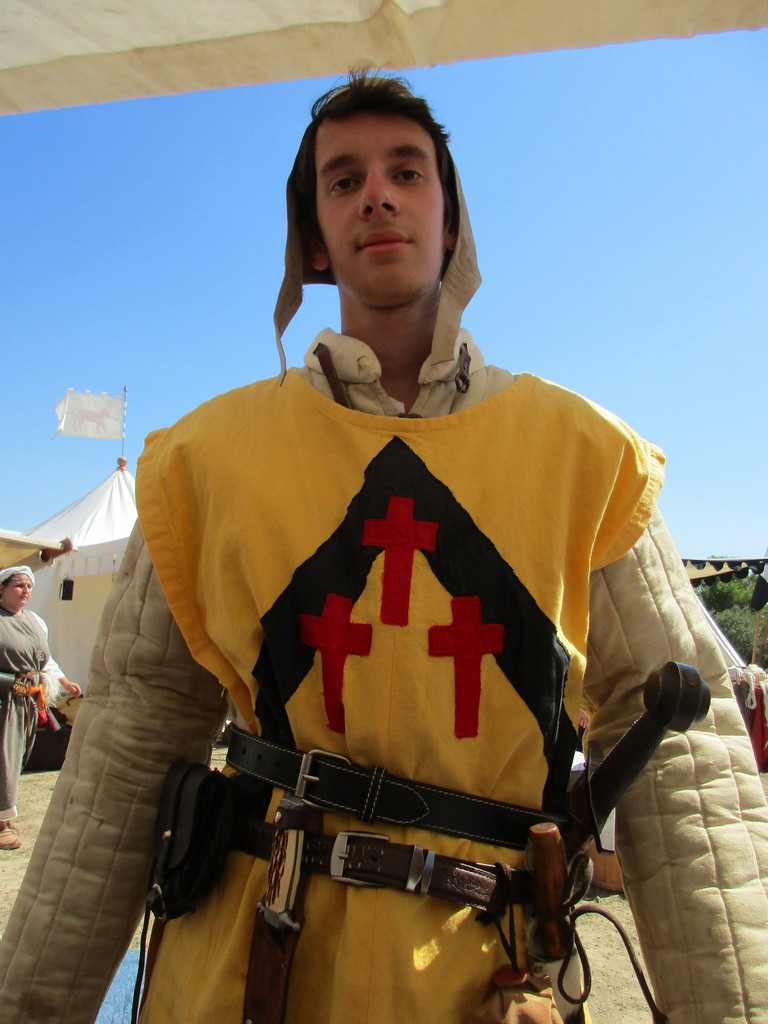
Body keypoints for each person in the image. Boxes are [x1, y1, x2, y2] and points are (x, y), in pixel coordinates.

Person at [0, 71, 767, 1024]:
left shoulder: (587, 456)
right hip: (245, 971)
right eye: (344, 179)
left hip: (484, 981)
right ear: (314, 239)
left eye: (407, 172)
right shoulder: (201, 462)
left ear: (451, 224)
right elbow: (124, 749)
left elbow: (687, 754)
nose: (377, 195)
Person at [0, 566, 81, 851]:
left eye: (29, 586)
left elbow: (44, 661)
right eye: (18, 585)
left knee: (17, 757)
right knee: (4, 759)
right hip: (3, 700)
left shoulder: (35, 621)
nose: (25, 591)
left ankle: (4, 816)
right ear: (1, 589)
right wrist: (14, 685)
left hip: (27, 701)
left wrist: (64, 681)